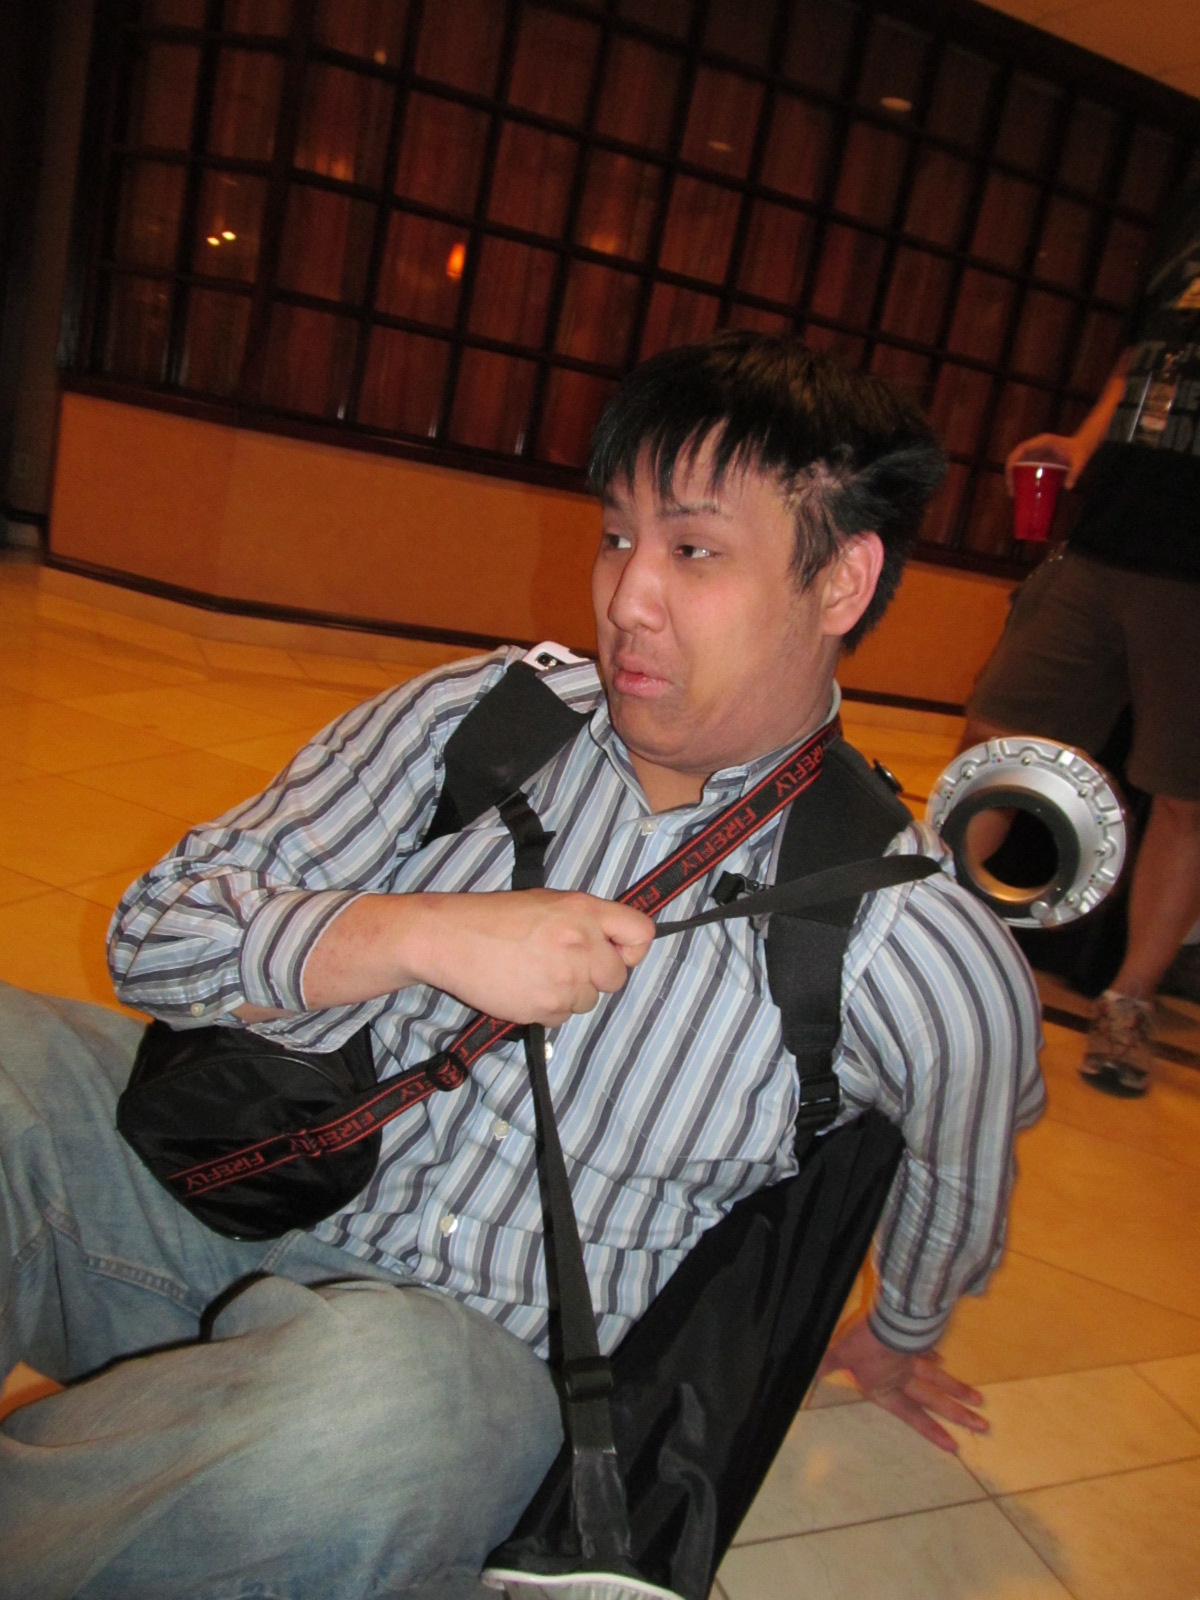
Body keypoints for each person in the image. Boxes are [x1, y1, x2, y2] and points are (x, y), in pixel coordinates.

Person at [0, 334, 1043, 1600]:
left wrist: (903, 1329)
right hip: (254, 1203)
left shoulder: (912, 939)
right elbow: (155, 931)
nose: (627, 597)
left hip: (471, 1379)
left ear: (842, 580)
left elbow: (959, 1169)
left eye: (694, 551)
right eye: (617, 536)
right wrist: (413, 931)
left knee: (364, 1419)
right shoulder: (484, 719)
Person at [963, 182, 1200, 1098]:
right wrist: (1081, 445)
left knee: (1184, 798)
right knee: (997, 738)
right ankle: (921, 928)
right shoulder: (1183, 229)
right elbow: (1137, 366)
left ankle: (1127, 1004)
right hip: (1100, 543)